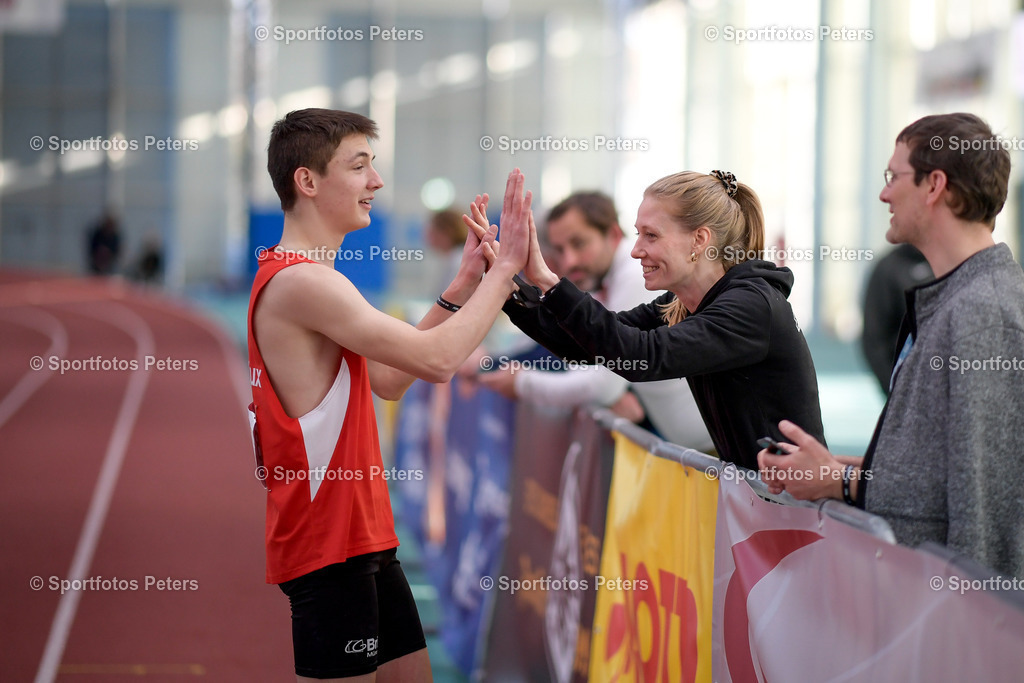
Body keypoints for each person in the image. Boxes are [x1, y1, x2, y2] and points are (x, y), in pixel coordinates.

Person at [247, 108, 530, 681]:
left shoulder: (319, 278)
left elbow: (391, 378)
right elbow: (439, 360)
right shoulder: (305, 283)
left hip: (363, 534)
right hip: (327, 545)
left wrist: (463, 286)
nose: (376, 181)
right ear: (307, 181)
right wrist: (506, 276)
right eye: (359, 166)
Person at [759, 113, 1024, 577]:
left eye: (893, 176)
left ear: (934, 185)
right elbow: (944, 470)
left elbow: (985, 506)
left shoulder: (983, 312)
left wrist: (840, 482)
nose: (884, 193)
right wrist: (837, 467)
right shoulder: (961, 300)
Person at [483, 170, 825, 471]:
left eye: (651, 235)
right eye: (638, 234)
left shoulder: (750, 306)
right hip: (759, 498)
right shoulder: (681, 301)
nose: (635, 250)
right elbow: (587, 345)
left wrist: (550, 281)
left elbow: (641, 356)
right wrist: (508, 283)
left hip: (794, 508)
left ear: (699, 240)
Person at [476, 191, 713, 451]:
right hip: (692, 452)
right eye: (560, 249)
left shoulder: (637, 276)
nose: (569, 261)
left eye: (579, 244)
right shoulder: (602, 279)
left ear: (613, 235)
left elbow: (602, 383)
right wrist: (511, 289)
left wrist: (524, 383)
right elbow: (582, 358)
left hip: (711, 458)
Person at [860, 243, 932, 394]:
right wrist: (897, 393)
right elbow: (874, 339)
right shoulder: (889, 268)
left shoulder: (959, 262)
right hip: (907, 394)